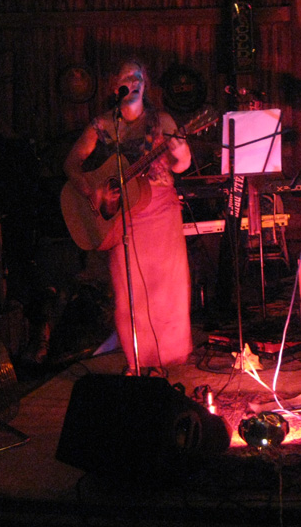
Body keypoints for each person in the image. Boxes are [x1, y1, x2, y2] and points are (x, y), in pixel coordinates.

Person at [63, 58, 193, 376]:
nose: (133, 82)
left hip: (160, 211)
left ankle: (163, 361)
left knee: (166, 291)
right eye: (126, 77)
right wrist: (90, 189)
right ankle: (136, 361)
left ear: (145, 85)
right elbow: (71, 163)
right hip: (123, 217)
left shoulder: (161, 120)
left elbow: (181, 165)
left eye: (138, 78)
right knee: (128, 293)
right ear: (115, 85)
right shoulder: (102, 124)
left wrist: (180, 151)